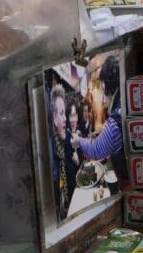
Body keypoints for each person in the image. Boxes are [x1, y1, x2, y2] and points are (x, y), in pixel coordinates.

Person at [72, 55, 124, 162]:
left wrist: (79, 141)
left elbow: (95, 149)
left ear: (110, 88)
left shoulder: (114, 123)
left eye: (104, 90)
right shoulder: (123, 105)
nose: (104, 100)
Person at [48, 85, 77, 219]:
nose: (66, 119)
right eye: (62, 114)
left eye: (65, 113)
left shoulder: (61, 146)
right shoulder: (51, 155)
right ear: (54, 118)